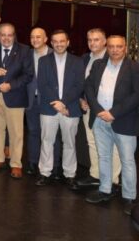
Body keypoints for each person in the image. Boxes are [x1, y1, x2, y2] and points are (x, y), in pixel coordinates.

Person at [84, 35, 139, 216]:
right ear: (107, 47)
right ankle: (105, 190)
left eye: (119, 47)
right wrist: (99, 110)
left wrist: (113, 113)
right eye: (112, 46)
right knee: (104, 157)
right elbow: (89, 88)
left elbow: (136, 95)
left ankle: (129, 197)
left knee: (128, 161)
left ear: (125, 48)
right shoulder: (98, 65)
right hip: (99, 119)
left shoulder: (134, 68)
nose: (115, 50)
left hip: (124, 121)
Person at [35, 30, 84, 187]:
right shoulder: (43, 61)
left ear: (68, 42)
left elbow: (79, 86)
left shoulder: (78, 61)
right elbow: (42, 85)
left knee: (69, 143)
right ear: (51, 43)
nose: (59, 44)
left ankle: (70, 174)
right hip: (49, 108)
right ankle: (44, 172)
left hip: (70, 109)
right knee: (46, 141)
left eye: (62, 41)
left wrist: (64, 103)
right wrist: (57, 103)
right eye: (55, 41)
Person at [0, 23, 33, 179]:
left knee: (16, 133)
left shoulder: (25, 50)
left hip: (15, 96)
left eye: (9, 35)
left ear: (14, 35)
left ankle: (15, 164)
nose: (6, 38)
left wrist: (11, 85)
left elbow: (28, 75)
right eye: (3, 35)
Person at [75, 28, 120, 190]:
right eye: (89, 40)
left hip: (107, 111)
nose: (92, 43)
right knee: (92, 143)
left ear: (105, 41)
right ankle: (95, 175)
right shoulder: (84, 58)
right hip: (89, 110)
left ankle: (113, 179)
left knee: (112, 145)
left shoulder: (113, 58)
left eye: (96, 39)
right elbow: (82, 83)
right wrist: (82, 99)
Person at [25, 28, 59, 177]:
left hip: (50, 101)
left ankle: (55, 165)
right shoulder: (26, 55)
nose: (35, 40)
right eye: (32, 37)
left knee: (52, 136)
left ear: (46, 39)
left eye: (38, 37)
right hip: (31, 100)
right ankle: (33, 162)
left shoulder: (55, 54)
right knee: (33, 132)